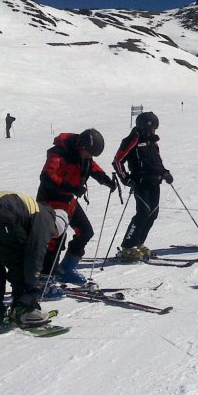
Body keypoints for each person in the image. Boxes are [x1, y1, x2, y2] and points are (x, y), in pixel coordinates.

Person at [0, 191, 66, 331]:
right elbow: (34, 256)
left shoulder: (33, 211)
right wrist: (31, 289)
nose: (51, 237)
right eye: (54, 235)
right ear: (57, 226)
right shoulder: (46, 218)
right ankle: (25, 311)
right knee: (20, 264)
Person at [37, 128, 116, 284]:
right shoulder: (59, 153)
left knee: (85, 231)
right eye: (88, 153)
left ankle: (65, 270)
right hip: (50, 201)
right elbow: (46, 177)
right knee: (56, 239)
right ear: (81, 147)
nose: (89, 156)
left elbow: (92, 167)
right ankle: (45, 279)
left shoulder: (84, 154)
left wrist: (105, 180)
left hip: (67, 201)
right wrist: (71, 188)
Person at [112, 111, 173, 261]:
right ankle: (127, 246)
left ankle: (139, 242)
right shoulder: (132, 140)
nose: (154, 131)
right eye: (153, 128)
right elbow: (118, 161)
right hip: (140, 182)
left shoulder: (152, 140)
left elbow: (156, 161)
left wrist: (164, 172)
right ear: (145, 127)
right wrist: (126, 179)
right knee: (143, 213)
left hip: (154, 181)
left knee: (153, 214)